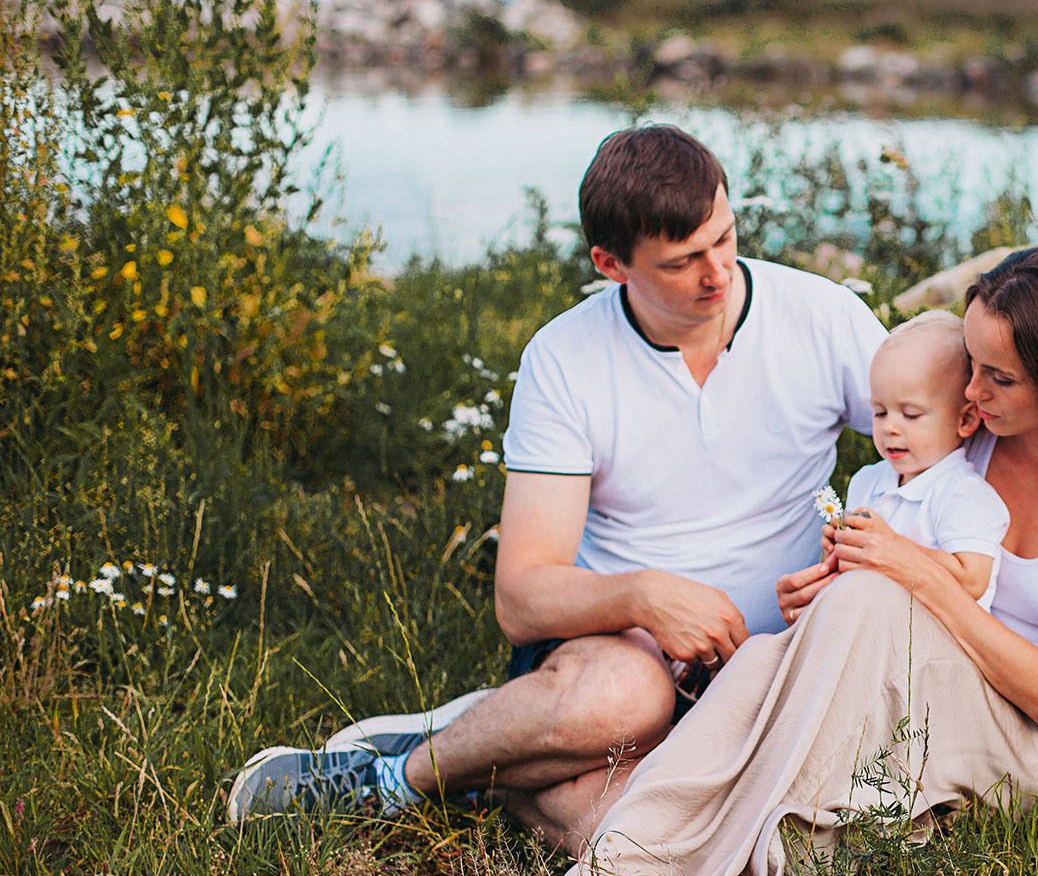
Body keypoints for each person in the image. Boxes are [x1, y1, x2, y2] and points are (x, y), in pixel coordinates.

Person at [513, 245, 1038, 876]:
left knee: (810, 737)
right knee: (767, 658)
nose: (970, 393)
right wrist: (820, 595)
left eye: (998, 378)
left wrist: (907, 573)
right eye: (969, 364)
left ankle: (588, 847)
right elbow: (883, 582)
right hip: (919, 693)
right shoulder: (967, 450)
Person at [226, 125, 886, 839]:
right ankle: (392, 778)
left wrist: (864, 547)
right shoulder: (565, 357)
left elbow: (935, 456)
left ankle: (508, 751)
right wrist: (645, 595)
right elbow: (522, 597)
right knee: (627, 709)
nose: (719, 273)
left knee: (647, 830)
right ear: (611, 264)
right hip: (622, 655)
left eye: (724, 238)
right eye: (682, 261)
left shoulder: (823, 317)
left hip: (781, 662)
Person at [831, 308, 1009, 610]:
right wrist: (839, 553)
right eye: (880, 412)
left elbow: (972, 580)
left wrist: (891, 546)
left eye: (911, 414)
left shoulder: (964, 494)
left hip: (932, 645)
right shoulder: (867, 482)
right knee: (760, 652)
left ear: (965, 420)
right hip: (867, 625)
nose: (890, 427)